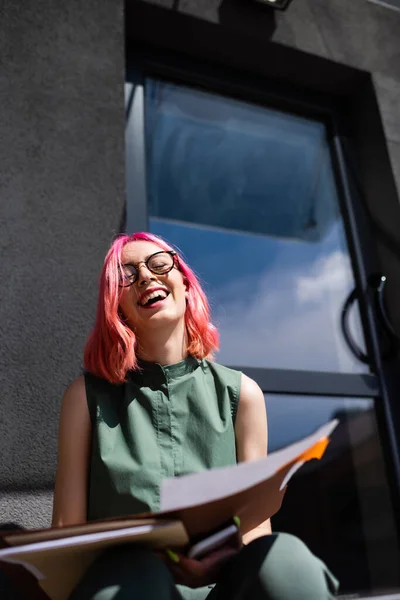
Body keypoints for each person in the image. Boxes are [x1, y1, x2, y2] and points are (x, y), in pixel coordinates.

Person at [49, 231, 338, 600]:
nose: (145, 277)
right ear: (116, 306)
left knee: (285, 558)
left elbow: (254, 531)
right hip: (128, 590)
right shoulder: (85, 399)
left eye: (158, 264)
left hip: (221, 590)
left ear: (185, 285)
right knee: (135, 573)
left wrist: (220, 562)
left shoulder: (242, 395)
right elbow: (65, 535)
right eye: (127, 274)